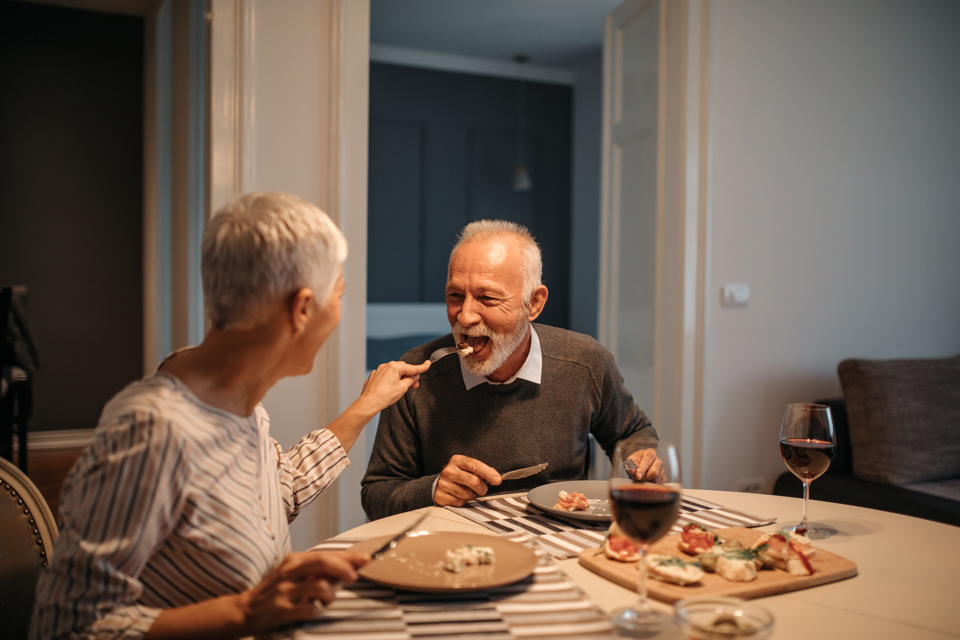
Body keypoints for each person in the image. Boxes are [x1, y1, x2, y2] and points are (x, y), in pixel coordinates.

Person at [31, 192, 430, 640]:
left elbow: (272, 493)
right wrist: (244, 612)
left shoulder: (233, 398)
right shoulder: (151, 433)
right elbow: (65, 626)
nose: (339, 311)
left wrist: (365, 406)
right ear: (301, 309)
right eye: (337, 295)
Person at [360, 220, 661, 521]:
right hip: (453, 549)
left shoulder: (586, 363)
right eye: (455, 296)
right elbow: (377, 494)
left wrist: (639, 459)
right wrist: (433, 489)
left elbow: (631, 432)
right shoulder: (415, 377)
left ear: (534, 303)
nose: (464, 317)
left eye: (487, 298)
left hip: (561, 541)